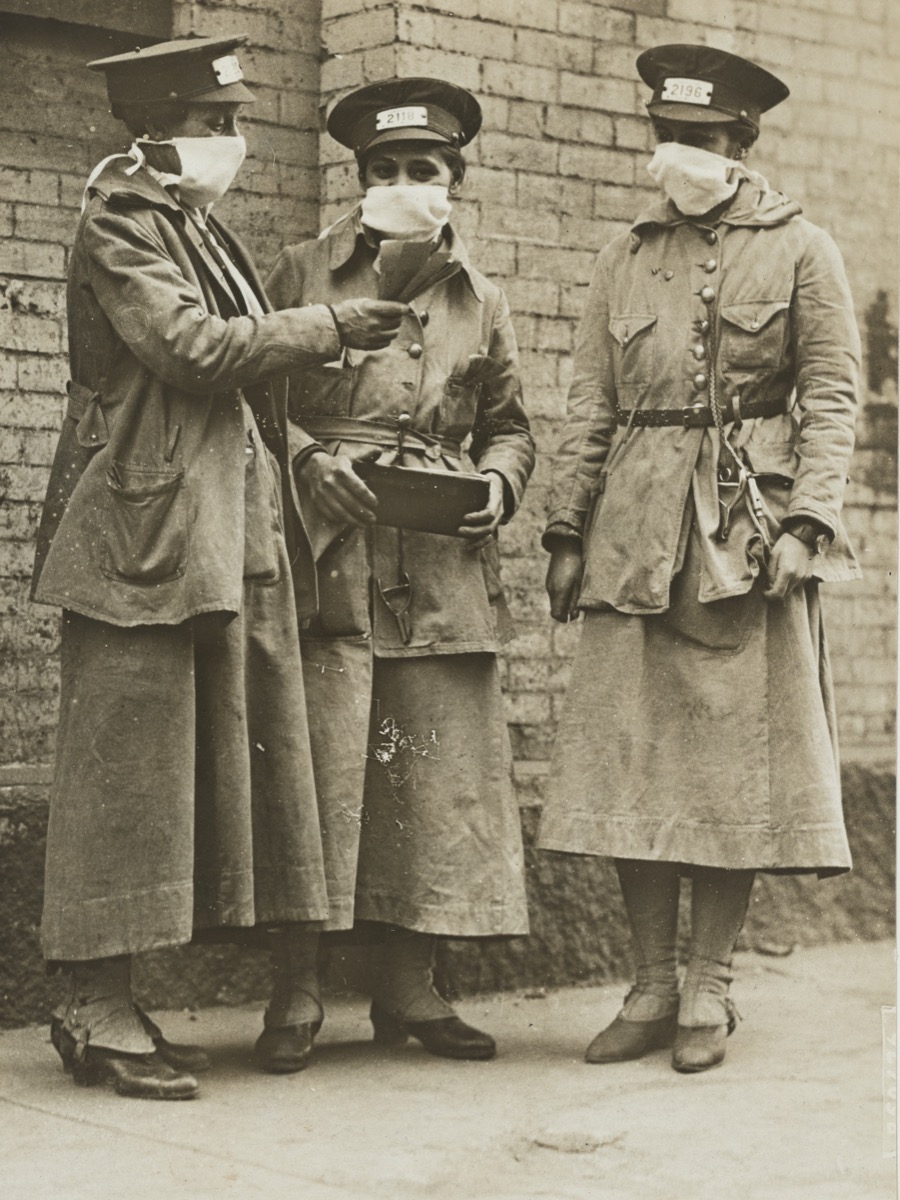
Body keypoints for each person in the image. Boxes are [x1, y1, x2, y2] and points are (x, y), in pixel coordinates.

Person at [31, 35, 409, 1099]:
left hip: (210, 534)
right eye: (216, 124)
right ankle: (89, 1000)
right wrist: (325, 327)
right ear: (155, 128)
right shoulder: (120, 221)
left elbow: (239, 395)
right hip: (140, 539)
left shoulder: (192, 226)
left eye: (234, 123)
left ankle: (115, 999)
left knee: (171, 775)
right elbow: (192, 351)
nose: (232, 144)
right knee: (121, 769)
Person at [540, 44, 860, 1074]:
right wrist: (563, 529)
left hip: (747, 537)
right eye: (668, 136)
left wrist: (808, 524)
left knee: (730, 772)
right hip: (633, 537)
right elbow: (591, 402)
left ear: (744, 144)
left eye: (705, 140)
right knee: (635, 761)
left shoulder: (806, 249)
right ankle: (649, 985)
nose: (682, 155)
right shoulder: (623, 259)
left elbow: (833, 399)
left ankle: (711, 988)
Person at [266, 77, 535, 1062]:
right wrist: (305, 458)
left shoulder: (483, 297)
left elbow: (510, 426)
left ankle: (411, 990)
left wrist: (500, 484)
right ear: (359, 178)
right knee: (316, 765)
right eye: (384, 170)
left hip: (439, 558)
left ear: (453, 180)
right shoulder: (301, 269)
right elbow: (252, 398)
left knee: (429, 776)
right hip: (328, 546)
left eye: (423, 170)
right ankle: (293, 989)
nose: (403, 184)